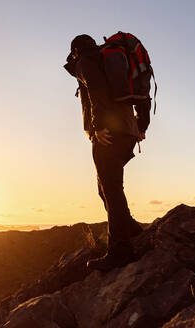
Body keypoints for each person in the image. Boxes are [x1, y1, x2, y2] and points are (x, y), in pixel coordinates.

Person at [65, 34, 149, 271]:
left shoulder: (86, 61)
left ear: (75, 52)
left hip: (108, 133)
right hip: (128, 132)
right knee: (106, 187)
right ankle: (130, 228)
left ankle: (120, 250)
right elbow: (143, 96)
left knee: (110, 189)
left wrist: (97, 126)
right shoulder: (115, 62)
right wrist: (142, 126)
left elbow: (96, 89)